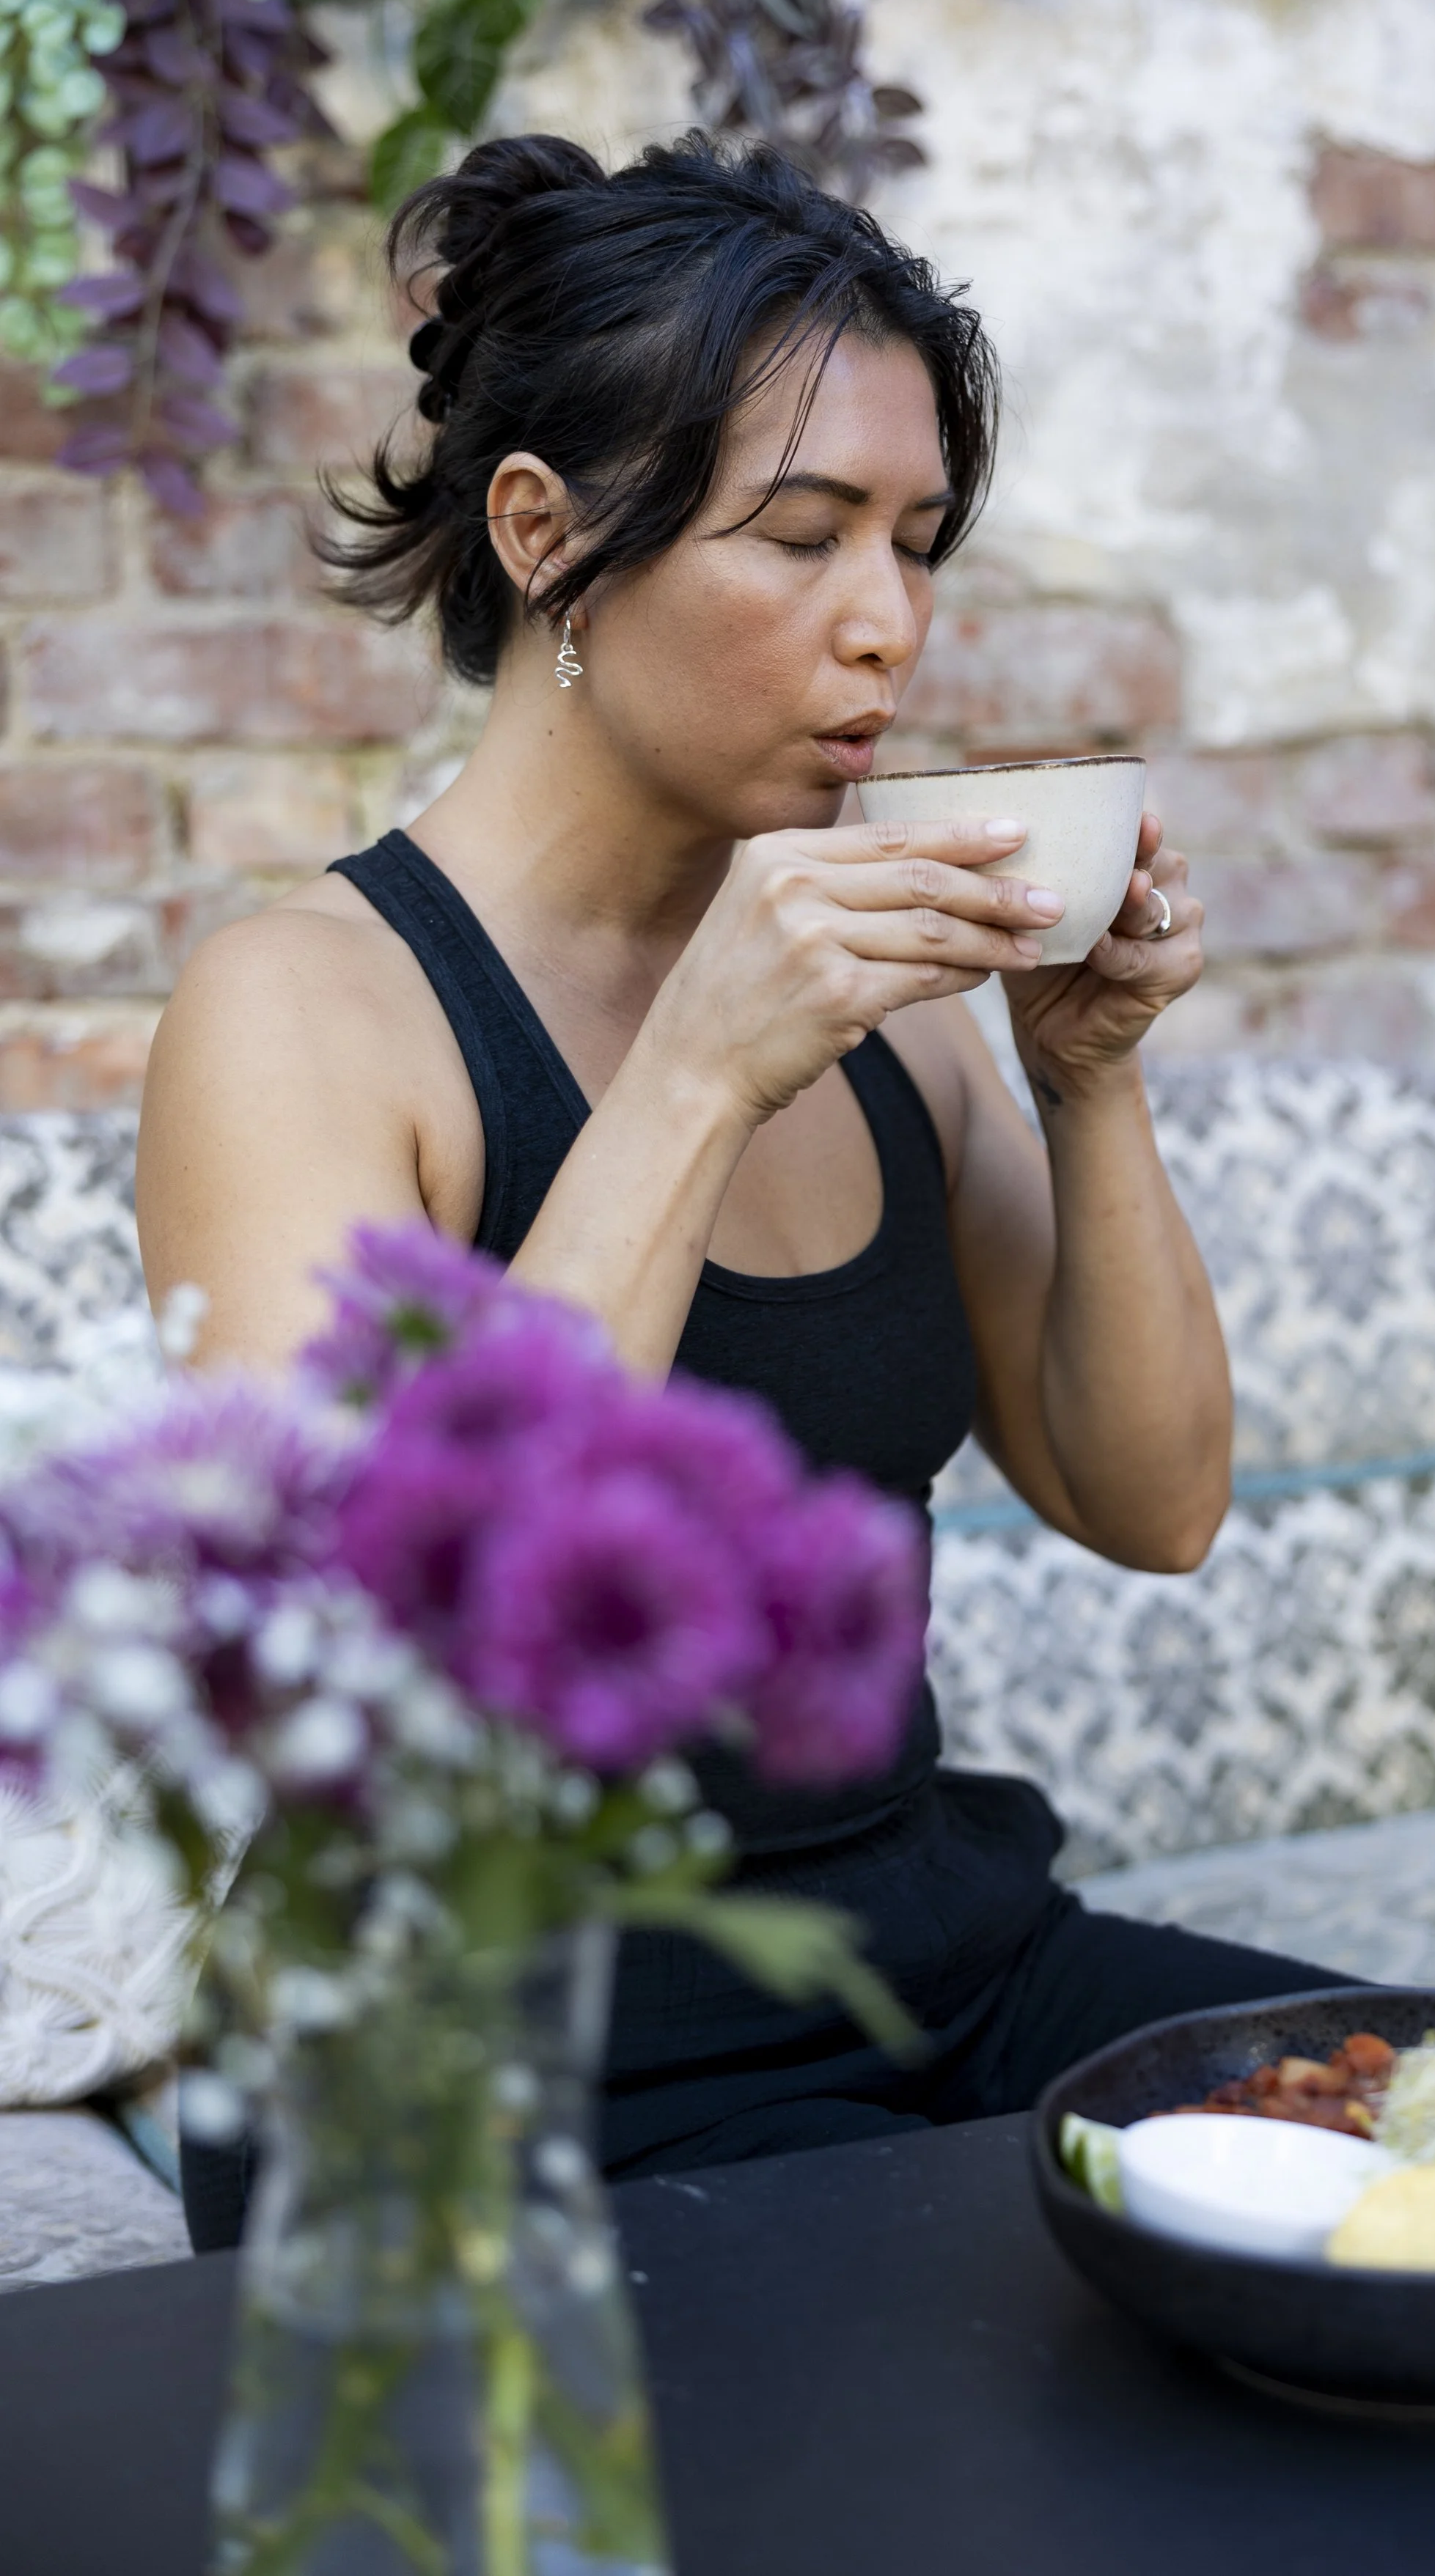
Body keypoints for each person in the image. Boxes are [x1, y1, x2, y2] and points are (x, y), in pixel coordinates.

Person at [140, 132, 1349, 2201]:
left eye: (917, 539)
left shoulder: (882, 994)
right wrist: (694, 1074)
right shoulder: (302, 1011)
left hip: (947, 1974)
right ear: (542, 533)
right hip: (521, 2068)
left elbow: (1151, 1501)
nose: (887, 624)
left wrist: (1087, 1079)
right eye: (801, 537)